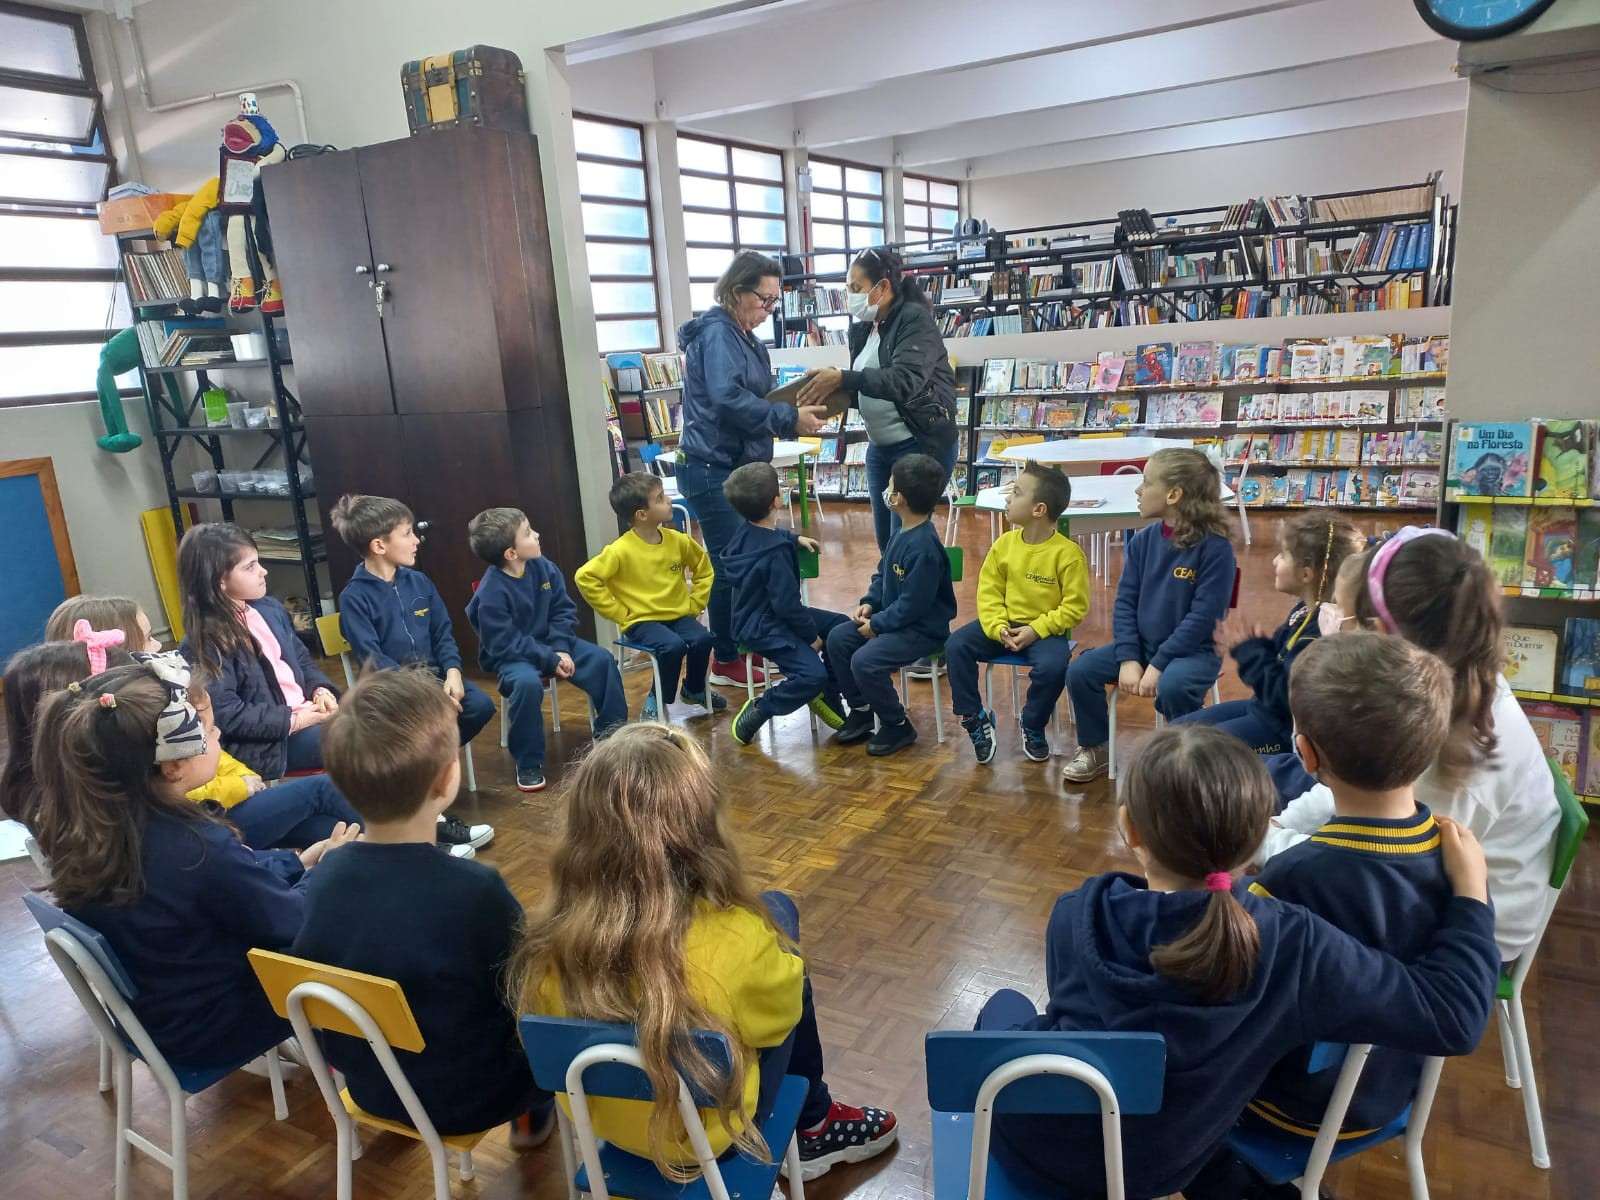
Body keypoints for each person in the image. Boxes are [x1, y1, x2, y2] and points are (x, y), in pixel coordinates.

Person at [974, 724, 1499, 1200]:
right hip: (1176, 1160)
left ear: (1130, 829)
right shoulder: (1292, 942)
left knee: (1003, 1006)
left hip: (1046, 1151)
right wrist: (1472, 896)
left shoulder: (1075, 915)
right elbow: (1453, 1018)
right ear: (1256, 841)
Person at [511, 724, 897, 1183]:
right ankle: (815, 1124)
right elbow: (780, 1019)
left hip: (611, 1130)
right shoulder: (738, 939)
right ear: (700, 829)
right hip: (714, 1137)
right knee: (785, 939)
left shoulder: (544, 945)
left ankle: (814, 1117)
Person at [28, 656, 357, 1068]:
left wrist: (297, 865)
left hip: (161, 1019)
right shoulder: (199, 848)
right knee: (352, 922)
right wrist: (329, 872)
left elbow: (229, 887)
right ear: (173, 766)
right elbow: (291, 921)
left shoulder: (99, 830)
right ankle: (368, 1063)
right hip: (220, 1025)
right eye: (209, 730)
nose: (218, 735)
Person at [1220, 632, 1457, 1192]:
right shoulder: (1456, 857)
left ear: (1305, 754)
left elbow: (1232, 1009)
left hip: (1291, 1106)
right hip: (1392, 1093)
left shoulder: (1291, 880)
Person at [1258, 528, 1562, 961]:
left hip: (1466, 932)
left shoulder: (1458, 756)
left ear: (1380, 632)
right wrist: (1281, 827)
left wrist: (1269, 846)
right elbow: (1357, 799)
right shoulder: (1446, 688)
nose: (1334, 625)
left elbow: (1377, 871)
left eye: (1345, 616)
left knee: (1277, 934)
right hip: (1418, 878)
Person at [291, 669, 554, 1145]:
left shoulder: (324, 876)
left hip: (374, 1087)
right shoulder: (477, 890)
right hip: (475, 1095)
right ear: (447, 780)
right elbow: (525, 991)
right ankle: (532, 1118)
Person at [676, 251, 828, 690]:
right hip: (713, 466)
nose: (769, 309)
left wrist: (796, 396)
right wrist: (788, 418)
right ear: (736, 291)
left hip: (736, 463)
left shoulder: (745, 337)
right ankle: (725, 658)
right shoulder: (718, 334)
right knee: (731, 568)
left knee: (747, 561)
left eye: (775, 301)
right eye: (765, 300)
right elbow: (727, 399)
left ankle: (745, 644)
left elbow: (755, 395)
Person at [1062, 447, 1236, 783]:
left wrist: (1158, 665)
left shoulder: (1216, 549)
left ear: (1173, 494)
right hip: (1142, 646)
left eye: (1146, 482)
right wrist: (1129, 657)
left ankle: (1188, 761)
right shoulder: (1142, 542)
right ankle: (1096, 749)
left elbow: (1203, 619)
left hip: (1195, 652)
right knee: (1081, 671)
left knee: (1173, 687)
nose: (1138, 490)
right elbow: (1125, 603)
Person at [796, 246, 961, 553]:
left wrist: (843, 378)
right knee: (887, 543)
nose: (850, 297)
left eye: (856, 288)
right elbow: (866, 388)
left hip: (919, 445)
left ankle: (914, 585)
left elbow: (904, 381)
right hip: (880, 449)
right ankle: (886, 586)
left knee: (906, 542)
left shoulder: (914, 320)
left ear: (883, 287)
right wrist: (823, 398)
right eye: (848, 289)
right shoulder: (865, 329)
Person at [464, 506, 627, 794]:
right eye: (528, 533)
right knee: (526, 684)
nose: (537, 535)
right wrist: (549, 659)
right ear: (511, 553)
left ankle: (612, 735)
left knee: (602, 659)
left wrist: (560, 649)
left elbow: (563, 611)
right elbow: (504, 642)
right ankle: (528, 761)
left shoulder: (544, 567)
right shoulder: (491, 592)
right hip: (514, 656)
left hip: (554, 644)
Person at [1172, 512, 1362, 757]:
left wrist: (1249, 651)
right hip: (1261, 710)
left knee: (1190, 753)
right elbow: (1280, 659)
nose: (1274, 560)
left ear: (1306, 574)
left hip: (1280, 731)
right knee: (1175, 734)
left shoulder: (1318, 634)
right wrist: (1257, 645)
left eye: (1283, 555)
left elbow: (1285, 697)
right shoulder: (1304, 611)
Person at [945, 463, 1088, 765]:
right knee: (956, 645)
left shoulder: (1067, 554)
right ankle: (974, 718)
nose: (1008, 498)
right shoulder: (1004, 545)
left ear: (1039, 509)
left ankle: (1033, 723)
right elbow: (989, 593)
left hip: (1044, 632)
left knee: (1054, 666)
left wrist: (1036, 630)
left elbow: (1074, 608)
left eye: (1017, 493)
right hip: (1003, 627)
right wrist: (997, 627)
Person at [328, 494, 497, 749]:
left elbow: (442, 634)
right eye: (407, 534)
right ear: (379, 546)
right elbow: (374, 661)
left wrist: (453, 672)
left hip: (434, 676)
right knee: (429, 720)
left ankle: (426, 759)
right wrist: (428, 695)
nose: (416, 540)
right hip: (391, 689)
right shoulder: (354, 598)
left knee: (480, 707)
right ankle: (422, 761)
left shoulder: (420, 582)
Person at [177, 523, 341, 778]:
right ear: (219, 581)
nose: (263, 571)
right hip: (269, 745)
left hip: (307, 714)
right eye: (250, 566)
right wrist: (295, 720)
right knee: (361, 742)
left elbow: (301, 660)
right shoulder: (204, 642)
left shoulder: (269, 609)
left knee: (384, 721)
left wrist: (320, 690)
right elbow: (225, 713)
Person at [826, 453, 957, 757]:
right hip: (894, 621)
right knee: (838, 639)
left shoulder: (924, 547)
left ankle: (896, 724)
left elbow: (915, 605)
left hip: (922, 631)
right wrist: (870, 603)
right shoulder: (901, 531)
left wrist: (878, 625)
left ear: (899, 499)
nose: (885, 490)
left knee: (866, 661)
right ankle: (862, 710)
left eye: (890, 486)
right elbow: (882, 574)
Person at [716, 462, 848, 747]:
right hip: (764, 627)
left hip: (757, 617)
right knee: (811, 675)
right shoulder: (775, 553)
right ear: (778, 500)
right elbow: (787, 606)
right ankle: (761, 707)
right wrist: (811, 637)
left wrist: (794, 537)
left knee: (840, 625)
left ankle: (829, 691)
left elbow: (767, 535)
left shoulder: (744, 533)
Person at [574, 472, 724, 721]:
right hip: (641, 621)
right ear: (642, 515)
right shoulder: (620, 550)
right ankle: (657, 697)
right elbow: (585, 577)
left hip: (677, 615)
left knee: (703, 639)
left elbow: (704, 569)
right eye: (660, 498)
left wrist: (695, 603)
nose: (669, 501)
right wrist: (619, 613)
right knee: (673, 646)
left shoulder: (678, 541)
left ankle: (694, 689)